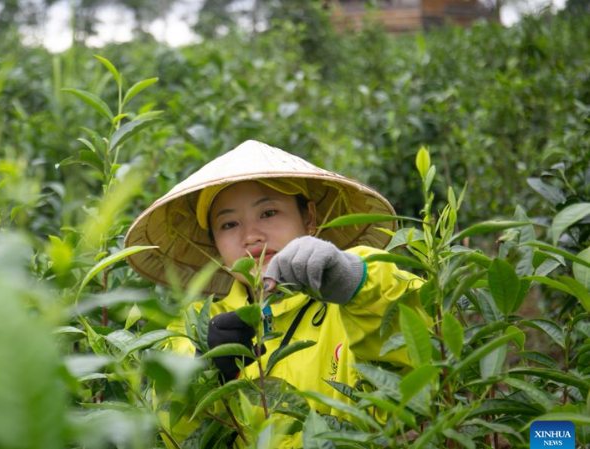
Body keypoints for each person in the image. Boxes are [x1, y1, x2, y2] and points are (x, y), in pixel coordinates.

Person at [124, 140, 430, 447]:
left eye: (269, 213)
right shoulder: (195, 327)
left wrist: (352, 282)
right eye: (229, 224)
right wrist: (205, 368)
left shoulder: (357, 286)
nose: (250, 236)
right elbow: (171, 427)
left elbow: (422, 349)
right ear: (213, 243)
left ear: (308, 217)